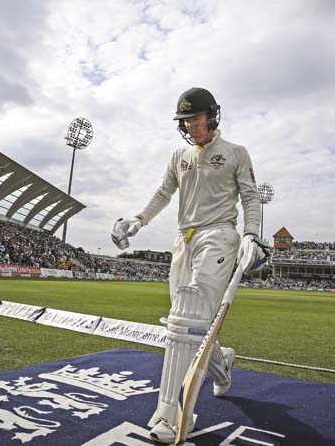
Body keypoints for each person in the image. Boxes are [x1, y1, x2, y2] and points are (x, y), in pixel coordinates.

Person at [111, 87, 267, 443]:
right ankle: (221, 364)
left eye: (194, 119)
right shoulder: (179, 155)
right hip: (184, 240)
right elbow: (163, 193)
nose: (189, 126)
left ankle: (169, 414)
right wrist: (138, 220)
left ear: (212, 116)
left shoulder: (235, 153)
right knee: (189, 322)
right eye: (184, 121)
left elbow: (251, 197)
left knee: (184, 320)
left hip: (220, 235)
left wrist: (251, 235)